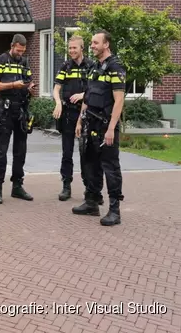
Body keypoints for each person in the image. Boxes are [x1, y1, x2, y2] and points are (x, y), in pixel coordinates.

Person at [73, 30, 126, 226]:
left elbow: (119, 100)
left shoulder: (115, 67)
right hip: (90, 122)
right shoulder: (94, 67)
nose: (92, 46)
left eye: (96, 43)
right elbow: (87, 97)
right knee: (90, 164)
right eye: (91, 43)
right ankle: (92, 202)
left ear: (106, 44)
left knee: (110, 167)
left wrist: (112, 128)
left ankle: (114, 211)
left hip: (106, 125)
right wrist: (80, 120)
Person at [0, 34, 36, 204]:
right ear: (12, 46)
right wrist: (11, 85)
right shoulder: (1, 60)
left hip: (21, 110)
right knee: (2, 150)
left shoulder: (24, 62)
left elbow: (29, 80)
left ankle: (17, 186)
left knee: (20, 150)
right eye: (18, 50)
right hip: (6, 110)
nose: (20, 53)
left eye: (22, 51)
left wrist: (30, 87)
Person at [52, 35, 92, 202]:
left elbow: (96, 89)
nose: (71, 51)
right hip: (68, 114)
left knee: (86, 153)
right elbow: (56, 89)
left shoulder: (91, 66)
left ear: (82, 48)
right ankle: (66, 186)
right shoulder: (65, 66)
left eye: (74, 48)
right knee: (66, 152)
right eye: (70, 48)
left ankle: (89, 188)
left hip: (86, 114)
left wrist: (83, 94)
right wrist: (58, 103)